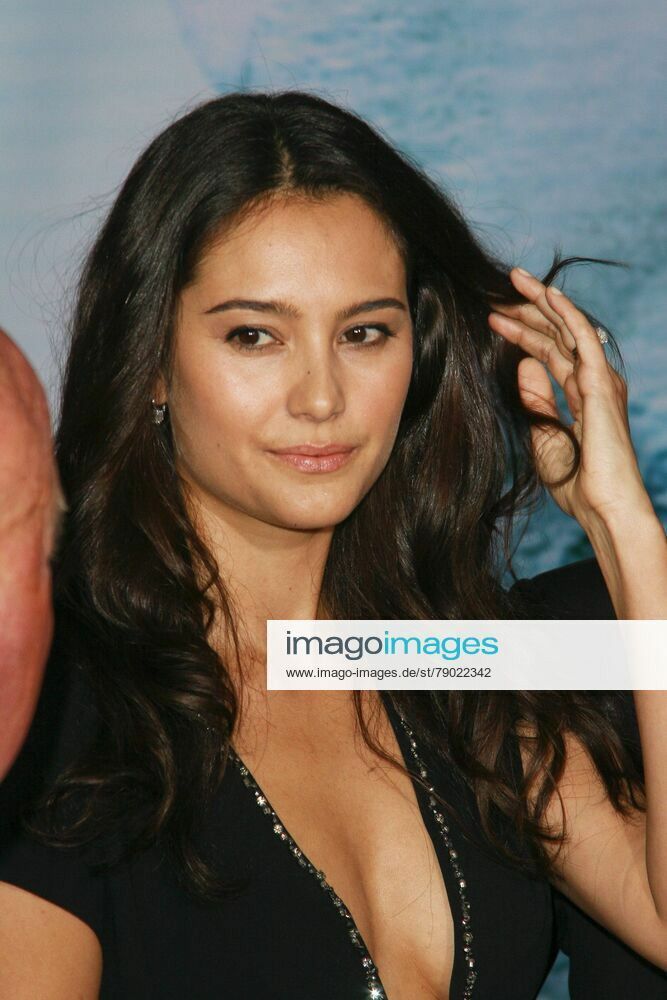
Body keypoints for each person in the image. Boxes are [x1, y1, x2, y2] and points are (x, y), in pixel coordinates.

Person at [0, 90, 665, 999]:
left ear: (416, 353)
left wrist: (624, 530)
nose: (321, 397)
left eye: (363, 333)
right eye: (254, 335)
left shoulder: (444, 656)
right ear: (151, 359)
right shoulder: (56, 710)